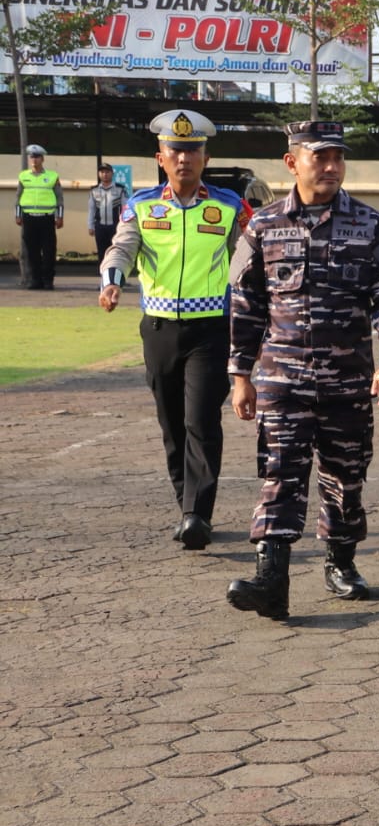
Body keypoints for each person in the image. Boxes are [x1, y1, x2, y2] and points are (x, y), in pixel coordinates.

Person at [225, 121, 379, 620]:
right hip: (282, 380)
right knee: (281, 476)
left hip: (347, 380)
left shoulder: (369, 226)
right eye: (319, 157)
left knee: (344, 479)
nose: (330, 167)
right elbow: (245, 306)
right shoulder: (262, 226)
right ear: (292, 162)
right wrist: (240, 376)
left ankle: (341, 562)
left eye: (337, 158)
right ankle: (271, 581)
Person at [98, 111, 244, 551]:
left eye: (193, 150)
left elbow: (247, 260)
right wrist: (111, 282)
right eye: (176, 151)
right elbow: (122, 248)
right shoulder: (142, 206)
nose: (185, 158)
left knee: (201, 419)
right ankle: (185, 502)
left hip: (211, 330)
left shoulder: (229, 205)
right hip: (159, 328)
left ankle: (197, 514)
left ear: (206, 157)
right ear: (161, 157)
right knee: (171, 423)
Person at [16, 143, 63, 290]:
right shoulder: (23, 176)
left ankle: (48, 280)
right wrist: (18, 215)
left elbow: (59, 197)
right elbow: (18, 197)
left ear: (42, 159)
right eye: (32, 157)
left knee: (49, 250)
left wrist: (59, 216)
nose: (34, 160)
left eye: (37, 157)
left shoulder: (52, 176)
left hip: (47, 218)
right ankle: (35, 280)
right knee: (32, 251)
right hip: (29, 218)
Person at [87, 164, 129, 266]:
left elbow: (125, 208)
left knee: (115, 251)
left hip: (115, 226)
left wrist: (125, 225)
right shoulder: (94, 190)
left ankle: (115, 274)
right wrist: (90, 226)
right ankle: (104, 276)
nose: (104, 174)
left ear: (112, 173)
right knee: (102, 252)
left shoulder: (120, 189)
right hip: (100, 226)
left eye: (107, 172)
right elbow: (91, 209)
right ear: (99, 174)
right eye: (102, 172)